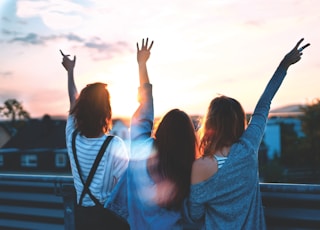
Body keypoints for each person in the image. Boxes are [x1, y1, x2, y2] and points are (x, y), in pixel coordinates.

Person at [183, 38, 310, 229]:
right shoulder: (247, 148)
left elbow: (195, 215)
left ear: (210, 123)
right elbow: (263, 106)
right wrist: (284, 65)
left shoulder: (200, 166)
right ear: (238, 122)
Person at [61, 50, 129, 230]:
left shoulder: (72, 137)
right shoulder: (115, 145)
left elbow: (73, 103)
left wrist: (70, 72)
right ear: (106, 111)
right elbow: (125, 188)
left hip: (81, 218)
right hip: (108, 220)